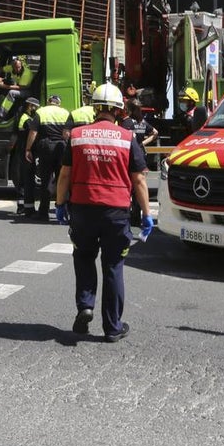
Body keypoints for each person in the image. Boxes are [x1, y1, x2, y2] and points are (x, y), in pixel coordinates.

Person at [55, 83, 153, 342]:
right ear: (120, 110)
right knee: (113, 266)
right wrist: (147, 214)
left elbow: (64, 174)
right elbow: (140, 180)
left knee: (84, 257)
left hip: (83, 210)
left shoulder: (77, 135)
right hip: (116, 212)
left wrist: (60, 203)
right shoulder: (127, 138)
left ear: (95, 107)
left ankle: (85, 306)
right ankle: (112, 327)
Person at [25, 94, 69, 220]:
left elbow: (33, 132)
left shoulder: (41, 112)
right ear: (58, 103)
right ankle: (64, 210)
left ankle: (43, 212)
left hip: (46, 148)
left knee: (46, 180)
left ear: (49, 102)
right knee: (62, 179)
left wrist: (28, 149)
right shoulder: (65, 113)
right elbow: (67, 133)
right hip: (61, 147)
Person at [126, 98, 158, 226]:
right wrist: (142, 143)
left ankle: (128, 215)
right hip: (141, 156)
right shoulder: (143, 122)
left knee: (128, 187)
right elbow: (155, 133)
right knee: (139, 187)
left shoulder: (127, 123)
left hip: (129, 157)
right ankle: (137, 218)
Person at [13, 96, 40, 215]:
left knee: (24, 179)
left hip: (23, 150)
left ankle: (22, 206)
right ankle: (23, 207)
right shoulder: (26, 119)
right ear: (30, 106)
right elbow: (33, 132)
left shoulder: (26, 117)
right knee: (26, 179)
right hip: (24, 151)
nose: (36, 109)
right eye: (35, 107)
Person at [0, 56, 35, 122]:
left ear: (21, 66)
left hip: (27, 90)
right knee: (6, 84)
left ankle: (0, 116)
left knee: (12, 92)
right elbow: (0, 69)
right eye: (16, 68)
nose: (18, 69)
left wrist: (5, 86)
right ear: (12, 67)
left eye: (19, 67)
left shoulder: (26, 73)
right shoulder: (11, 68)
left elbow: (21, 87)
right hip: (20, 86)